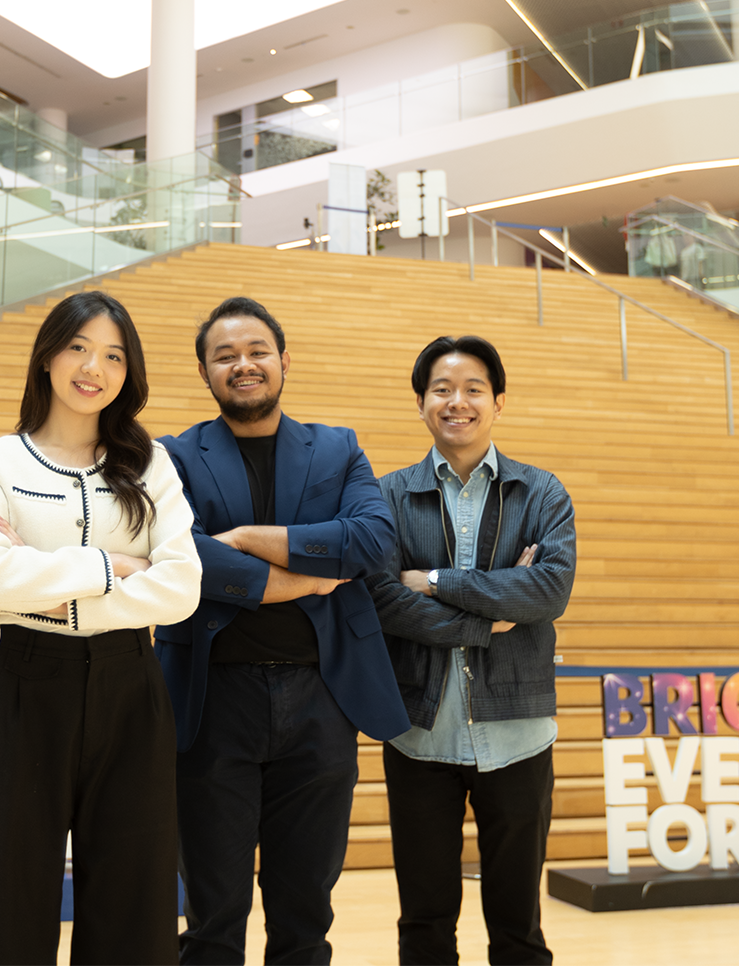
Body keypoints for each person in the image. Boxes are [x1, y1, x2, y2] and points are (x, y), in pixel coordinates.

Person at [157, 296, 408, 966]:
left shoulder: (337, 446)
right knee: (213, 913)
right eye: (225, 355)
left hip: (321, 702)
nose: (244, 365)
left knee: (304, 915)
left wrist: (245, 540)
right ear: (206, 372)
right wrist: (296, 578)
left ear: (283, 360)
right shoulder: (173, 457)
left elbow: (372, 541)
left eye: (256, 351)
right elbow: (181, 552)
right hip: (212, 702)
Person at [0, 290, 203, 966]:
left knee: (134, 899)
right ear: (46, 357)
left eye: (114, 355)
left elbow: (181, 588)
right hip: (27, 687)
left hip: (131, 687)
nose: (95, 367)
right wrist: (109, 566)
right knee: (6, 896)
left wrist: (43, 582)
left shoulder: (149, 464)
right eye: (79, 348)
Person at [366, 336, 576, 966]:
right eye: (441, 390)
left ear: (498, 402)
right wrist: (488, 619)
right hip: (418, 732)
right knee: (424, 922)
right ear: (422, 404)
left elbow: (546, 590)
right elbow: (380, 599)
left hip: (517, 731)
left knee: (519, 926)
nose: (457, 402)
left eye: (473, 390)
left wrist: (433, 580)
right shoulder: (386, 496)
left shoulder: (541, 493)